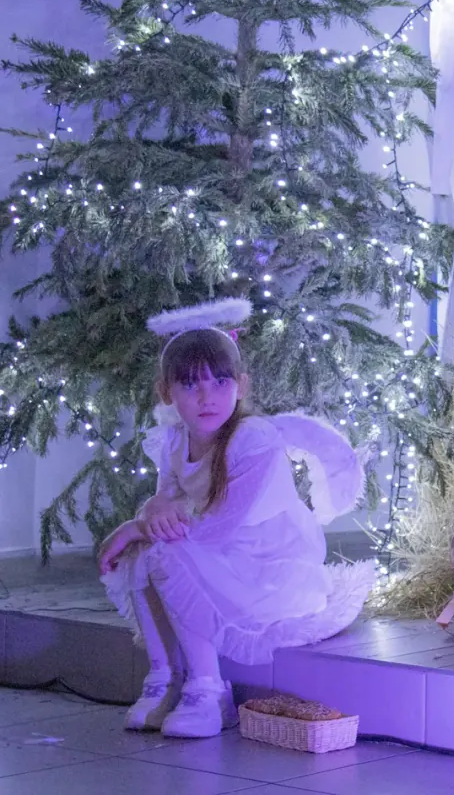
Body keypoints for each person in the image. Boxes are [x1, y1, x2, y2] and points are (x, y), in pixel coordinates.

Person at [98, 299, 372, 739]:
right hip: (220, 555)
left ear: (241, 385)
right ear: (166, 392)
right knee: (145, 552)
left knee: (163, 551)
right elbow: (167, 505)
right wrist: (146, 518)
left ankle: (208, 690)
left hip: (265, 569)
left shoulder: (252, 439)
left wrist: (137, 526)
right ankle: (164, 676)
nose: (206, 396)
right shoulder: (174, 441)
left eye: (220, 381)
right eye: (190, 384)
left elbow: (219, 525)